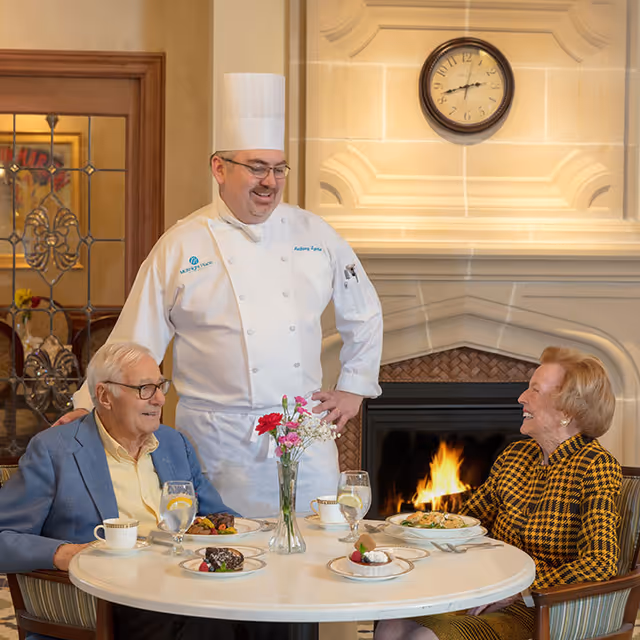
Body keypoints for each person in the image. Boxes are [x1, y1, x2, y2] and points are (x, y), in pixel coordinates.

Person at [56, 73, 383, 516]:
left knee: (314, 550)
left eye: (278, 168)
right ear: (219, 168)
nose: (270, 181)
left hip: (302, 437)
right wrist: (87, 405)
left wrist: (353, 389)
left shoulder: (316, 234)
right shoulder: (181, 244)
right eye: (256, 167)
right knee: (215, 558)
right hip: (214, 442)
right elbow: (135, 339)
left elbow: (364, 312)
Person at [375, 346, 622, 640]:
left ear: (566, 410)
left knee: (423, 638)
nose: (521, 398)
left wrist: (520, 588)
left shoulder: (595, 466)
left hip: (538, 609)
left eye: (535, 390)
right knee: (390, 624)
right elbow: (466, 520)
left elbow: (600, 563)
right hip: (483, 590)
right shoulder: (516, 455)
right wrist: (402, 529)